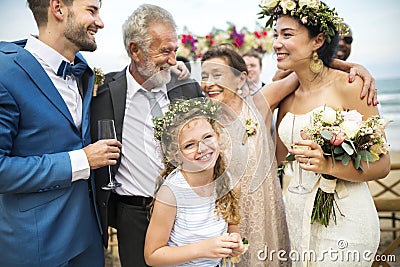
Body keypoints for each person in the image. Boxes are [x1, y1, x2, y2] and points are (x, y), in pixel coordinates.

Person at [257, 0, 391, 265]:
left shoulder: (352, 87)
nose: (276, 44)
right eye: (275, 35)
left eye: (287, 35)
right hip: (295, 215)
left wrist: (328, 164)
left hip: (345, 218)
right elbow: (277, 161)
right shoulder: (286, 94)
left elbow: (382, 164)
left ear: (317, 40)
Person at [0, 0, 122, 266]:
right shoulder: (4, 73)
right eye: (92, 10)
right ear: (58, 8)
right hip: (37, 248)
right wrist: (81, 161)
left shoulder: (83, 71)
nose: (100, 22)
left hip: (89, 241)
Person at [90, 4, 203, 267]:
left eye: (175, 50)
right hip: (134, 217)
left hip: (186, 212)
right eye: (165, 51)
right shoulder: (103, 92)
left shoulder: (187, 89)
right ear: (135, 50)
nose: (174, 60)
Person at [144, 98, 244, 266]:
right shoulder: (170, 194)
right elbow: (153, 255)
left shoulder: (229, 184)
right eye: (190, 145)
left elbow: (232, 229)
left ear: (218, 137)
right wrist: (202, 249)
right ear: (176, 155)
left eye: (207, 137)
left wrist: (234, 242)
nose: (202, 148)